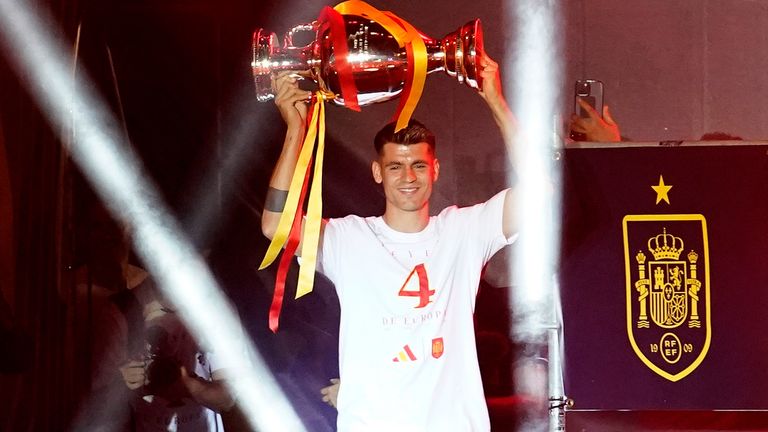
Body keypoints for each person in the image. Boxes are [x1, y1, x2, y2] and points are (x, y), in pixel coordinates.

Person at [262, 53, 518, 431]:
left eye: (418, 164)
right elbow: (274, 226)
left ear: (435, 169)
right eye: (396, 166)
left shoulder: (464, 231)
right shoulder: (349, 238)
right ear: (378, 173)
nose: (408, 177)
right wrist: (295, 132)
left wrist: (496, 100)